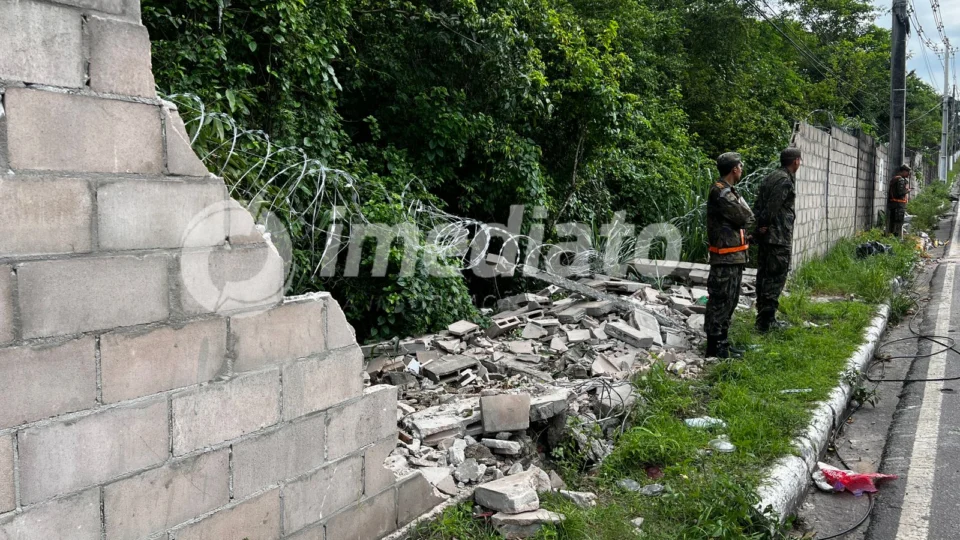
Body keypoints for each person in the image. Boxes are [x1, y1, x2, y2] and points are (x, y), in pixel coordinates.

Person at [705, 152, 755, 358]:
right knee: (720, 301)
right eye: (740, 166)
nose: (742, 170)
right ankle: (715, 348)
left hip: (733, 256)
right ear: (734, 169)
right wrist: (747, 213)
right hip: (724, 258)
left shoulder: (729, 191)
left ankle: (723, 343)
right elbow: (745, 216)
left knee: (730, 300)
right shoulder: (721, 193)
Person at [752, 147, 801, 333]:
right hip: (777, 238)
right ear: (795, 161)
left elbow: (758, 204)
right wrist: (763, 225)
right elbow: (772, 207)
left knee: (764, 276)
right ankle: (766, 321)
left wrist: (759, 228)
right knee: (774, 278)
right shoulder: (784, 181)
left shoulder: (771, 176)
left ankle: (763, 319)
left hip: (769, 237)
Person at [886, 165, 912, 237]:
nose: (908, 174)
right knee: (897, 224)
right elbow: (900, 192)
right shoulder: (900, 180)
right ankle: (895, 238)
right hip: (898, 205)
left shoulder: (895, 179)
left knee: (893, 223)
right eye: (907, 172)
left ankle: (891, 237)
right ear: (903, 171)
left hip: (894, 204)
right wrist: (907, 191)